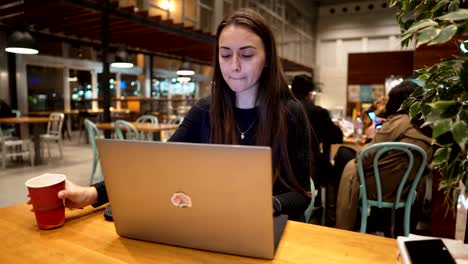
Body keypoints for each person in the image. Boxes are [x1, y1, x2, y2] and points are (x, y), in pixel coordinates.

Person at [42, 8, 316, 221]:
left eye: (246, 55)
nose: (234, 66)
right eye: (225, 54)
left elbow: (301, 193)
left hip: (276, 228)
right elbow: (158, 166)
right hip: (213, 224)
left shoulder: (291, 114)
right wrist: (92, 193)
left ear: (267, 57)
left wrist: (268, 204)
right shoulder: (205, 111)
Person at [335, 80, 432, 234]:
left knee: (345, 156)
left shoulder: (399, 122)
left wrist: (371, 137)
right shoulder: (424, 124)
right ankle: (380, 224)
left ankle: (349, 223)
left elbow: (363, 158)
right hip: (408, 187)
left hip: (381, 189)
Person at [291, 74, 342, 223]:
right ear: (309, 94)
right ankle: (329, 218)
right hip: (310, 167)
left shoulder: (279, 108)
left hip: (282, 168)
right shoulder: (318, 112)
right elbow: (337, 137)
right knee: (336, 172)